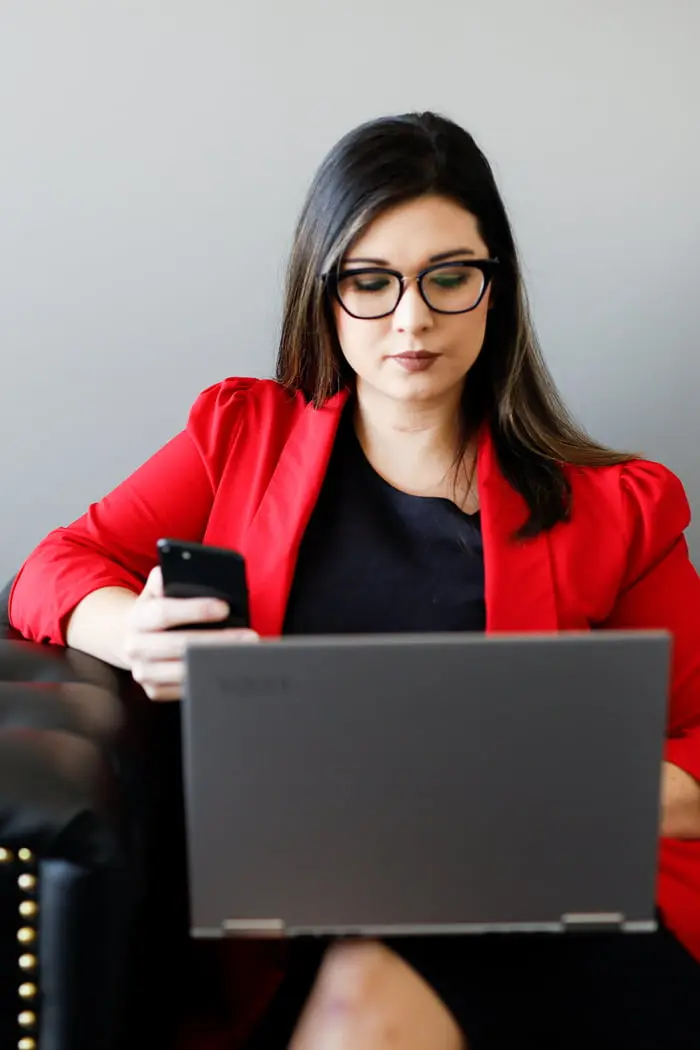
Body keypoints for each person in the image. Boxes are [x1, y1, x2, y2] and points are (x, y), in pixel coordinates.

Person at [9, 111, 700, 1049]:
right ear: (326, 292)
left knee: (365, 1005)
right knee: (355, 993)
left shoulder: (621, 507)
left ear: (496, 290)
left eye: (449, 277)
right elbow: (52, 569)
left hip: (550, 906)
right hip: (315, 920)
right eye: (371, 281)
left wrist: (568, 792)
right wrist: (133, 631)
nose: (412, 319)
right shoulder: (240, 439)